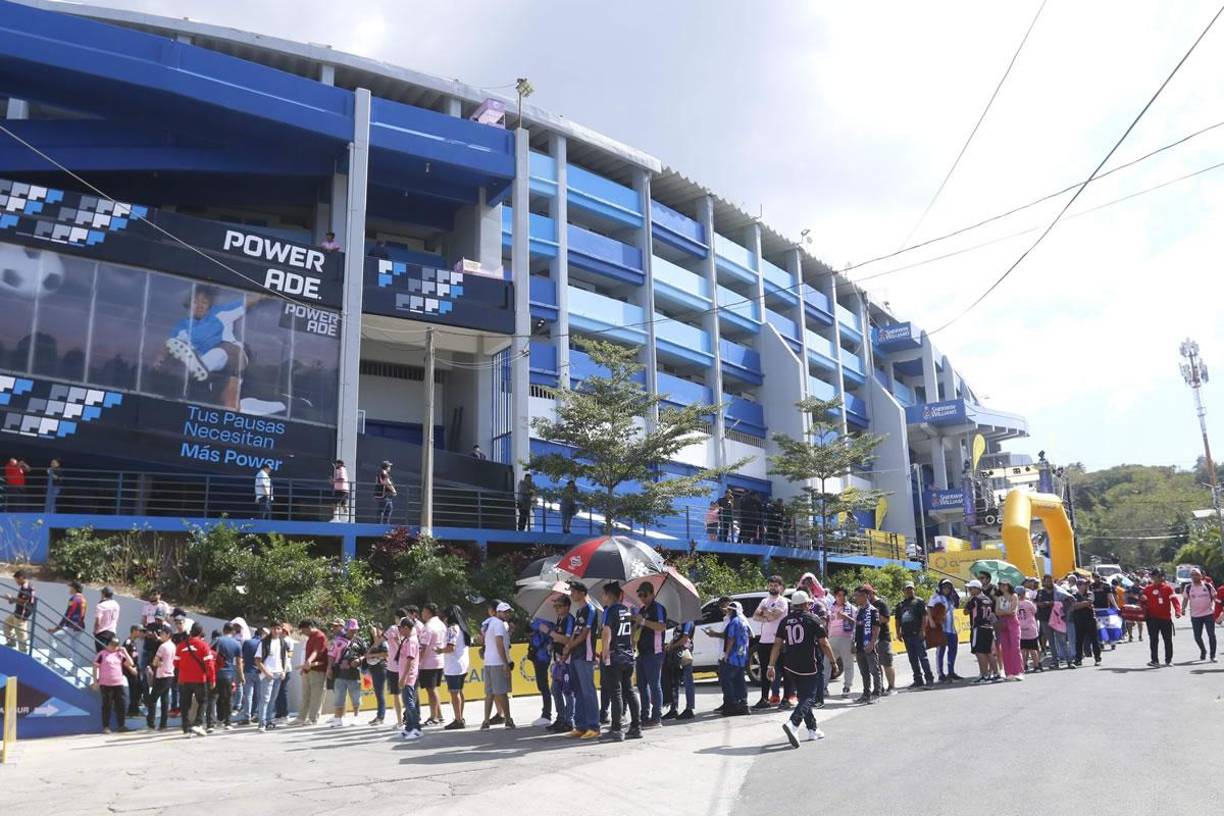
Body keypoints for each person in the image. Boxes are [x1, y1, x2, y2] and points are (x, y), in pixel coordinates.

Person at [768, 590, 835, 747]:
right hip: (808, 663)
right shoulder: (812, 619)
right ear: (805, 604)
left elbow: (777, 644)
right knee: (809, 697)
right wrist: (833, 662)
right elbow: (824, 643)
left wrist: (771, 665)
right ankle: (793, 723)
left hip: (790, 665)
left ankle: (813, 729)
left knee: (803, 696)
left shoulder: (784, 621)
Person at [163, 286, 248, 410]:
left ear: (210, 305)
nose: (200, 305)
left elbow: (249, 300)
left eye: (204, 302)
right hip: (208, 374)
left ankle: (200, 366)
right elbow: (167, 350)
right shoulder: (181, 329)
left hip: (231, 360)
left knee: (220, 353)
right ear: (189, 304)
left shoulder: (221, 314)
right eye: (195, 301)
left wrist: (265, 292)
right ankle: (196, 369)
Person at [600, 582, 642, 741]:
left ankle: (616, 729)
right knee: (629, 691)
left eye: (603, 594)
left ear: (609, 595)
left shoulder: (609, 611)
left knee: (616, 692)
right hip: (628, 655)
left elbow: (606, 632)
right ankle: (636, 727)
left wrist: (605, 654)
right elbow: (631, 631)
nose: (602, 597)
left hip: (615, 655)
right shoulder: (626, 610)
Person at [567, 581, 600, 739]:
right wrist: (568, 648)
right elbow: (576, 631)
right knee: (578, 691)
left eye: (573, 591)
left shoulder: (590, 609)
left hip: (585, 654)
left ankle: (594, 726)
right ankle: (580, 725)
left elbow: (585, 633)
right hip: (575, 654)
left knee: (588, 691)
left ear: (581, 593)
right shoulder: (579, 611)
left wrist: (571, 645)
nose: (571, 594)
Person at [633, 582, 668, 726]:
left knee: (654, 685)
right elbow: (637, 630)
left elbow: (661, 626)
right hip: (641, 651)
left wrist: (644, 621)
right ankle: (644, 716)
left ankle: (656, 717)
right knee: (641, 686)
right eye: (639, 595)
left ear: (652, 594)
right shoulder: (642, 609)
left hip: (655, 651)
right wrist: (635, 623)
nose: (642, 597)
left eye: (644, 594)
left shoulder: (658, 608)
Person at [752, 575, 789, 708]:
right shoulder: (764, 600)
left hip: (778, 640)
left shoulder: (783, 601)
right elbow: (755, 616)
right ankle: (764, 698)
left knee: (783, 670)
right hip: (764, 641)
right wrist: (767, 617)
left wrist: (765, 613)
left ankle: (786, 698)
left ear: (780, 587)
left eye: (775, 585)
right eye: (771, 585)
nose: (773, 587)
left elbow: (775, 616)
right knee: (764, 670)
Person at [177, 622, 216, 737]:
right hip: (199, 679)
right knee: (202, 701)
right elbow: (210, 664)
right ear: (200, 632)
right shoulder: (203, 645)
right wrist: (212, 679)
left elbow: (176, 662)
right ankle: (198, 724)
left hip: (183, 679)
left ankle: (186, 729)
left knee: (185, 704)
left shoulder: (181, 645)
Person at [481, 601, 515, 729]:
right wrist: (505, 663)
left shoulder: (489, 622)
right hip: (497, 662)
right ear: (498, 612)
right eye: (505, 612)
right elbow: (499, 643)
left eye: (508, 612)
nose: (507, 614)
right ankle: (508, 720)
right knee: (502, 692)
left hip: (489, 661)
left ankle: (486, 721)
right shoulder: (500, 624)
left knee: (490, 693)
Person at [895, 581, 935, 687]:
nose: (909, 591)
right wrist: (898, 632)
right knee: (912, 659)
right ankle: (918, 680)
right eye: (907, 589)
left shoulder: (919, 602)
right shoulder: (900, 605)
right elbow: (898, 620)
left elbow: (924, 617)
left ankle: (929, 679)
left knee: (923, 657)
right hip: (906, 635)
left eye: (911, 588)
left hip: (917, 634)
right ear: (903, 591)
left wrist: (922, 630)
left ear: (914, 589)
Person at [328, 618, 367, 726]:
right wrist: (329, 668)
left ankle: (356, 717)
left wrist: (359, 660)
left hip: (354, 674)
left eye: (355, 630)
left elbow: (367, 654)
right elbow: (331, 655)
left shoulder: (360, 641)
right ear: (346, 629)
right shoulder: (338, 640)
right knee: (339, 696)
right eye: (351, 629)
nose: (353, 631)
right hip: (339, 673)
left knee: (355, 697)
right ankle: (338, 718)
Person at [438, 605, 471, 730]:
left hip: (453, 665)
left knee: (454, 692)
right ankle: (460, 717)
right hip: (462, 664)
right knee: (459, 691)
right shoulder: (463, 628)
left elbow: (450, 647)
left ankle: (458, 719)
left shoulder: (452, 628)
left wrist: (439, 650)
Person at [93, 634, 134, 733]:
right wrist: (95, 682)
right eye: (112, 644)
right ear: (107, 644)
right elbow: (95, 668)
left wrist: (124, 651)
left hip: (118, 683)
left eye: (116, 645)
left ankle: (122, 725)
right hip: (106, 684)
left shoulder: (119, 654)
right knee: (107, 705)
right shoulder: (102, 654)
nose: (114, 647)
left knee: (121, 705)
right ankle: (106, 726)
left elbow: (130, 663)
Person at [291, 619, 328, 726]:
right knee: (305, 695)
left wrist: (309, 661)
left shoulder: (320, 636)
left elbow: (316, 651)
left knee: (316, 696)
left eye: (303, 630)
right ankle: (301, 718)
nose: (303, 633)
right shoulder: (310, 637)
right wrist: (304, 667)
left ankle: (313, 719)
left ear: (309, 627)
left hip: (318, 670)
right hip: (308, 670)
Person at [1141, 569, 1181, 667]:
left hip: (1165, 618)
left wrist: (1177, 611)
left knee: (1167, 640)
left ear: (1162, 577)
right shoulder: (1147, 589)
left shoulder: (1168, 588)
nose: (1155, 578)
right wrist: (1142, 601)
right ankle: (1155, 660)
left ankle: (1168, 660)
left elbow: (1175, 600)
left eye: (1158, 576)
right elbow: (1142, 602)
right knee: (1153, 640)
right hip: (1152, 619)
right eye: (1153, 576)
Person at [254, 623, 289, 731]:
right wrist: (266, 672)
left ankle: (269, 720)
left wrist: (284, 671)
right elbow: (257, 660)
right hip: (268, 674)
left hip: (279, 673)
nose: (276, 630)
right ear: (270, 629)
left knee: (273, 699)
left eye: (278, 628)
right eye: (274, 628)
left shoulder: (282, 642)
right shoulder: (264, 642)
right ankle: (262, 722)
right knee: (265, 699)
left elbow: (285, 658)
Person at [418, 603, 447, 726]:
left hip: (428, 662)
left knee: (431, 690)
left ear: (428, 612)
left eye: (423, 612)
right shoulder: (441, 624)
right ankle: (439, 715)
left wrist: (417, 662)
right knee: (433, 689)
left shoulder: (428, 626)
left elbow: (423, 647)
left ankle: (433, 716)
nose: (422, 614)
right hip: (439, 661)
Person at [720, 601, 751, 715]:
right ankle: (743, 704)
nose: (727, 611)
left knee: (726, 680)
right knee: (740, 680)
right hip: (742, 656)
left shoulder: (734, 622)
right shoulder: (744, 621)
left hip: (733, 656)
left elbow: (731, 639)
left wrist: (727, 654)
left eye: (729, 610)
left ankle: (731, 705)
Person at [853, 586, 882, 702]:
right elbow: (856, 627)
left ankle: (877, 693)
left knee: (874, 670)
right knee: (863, 671)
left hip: (869, 644)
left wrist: (872, 643)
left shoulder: (872, 610)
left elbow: (876, 628)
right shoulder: (859, 610)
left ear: (865, 596)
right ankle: (866, 693)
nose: (855, 598)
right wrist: (853, 643)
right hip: (859, 645)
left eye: (857, 596)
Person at [927, 580, 961, 681]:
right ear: (941, 587)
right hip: (941, 629)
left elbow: (956, 606)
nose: (947, 589)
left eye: (949, 587)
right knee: (941, 651)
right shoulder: (936, 597)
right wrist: (931, 620)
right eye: (945, 587)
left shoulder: (951, 598)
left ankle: (951, 671)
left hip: (952, 629)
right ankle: (941, 674)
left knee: (953, 650)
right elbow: (929, 608)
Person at [662, 617, 696, 720]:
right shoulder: (679, 622)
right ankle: (673, 709)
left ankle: (689, 708)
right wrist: (670, 644)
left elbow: (685, 639)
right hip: (675, 655)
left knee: (687, 681)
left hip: (683, 653)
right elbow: (676, 637)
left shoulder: (688, 621)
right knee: (674, 682)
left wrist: (672, 646)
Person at [864, 584, 895, 694]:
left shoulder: (880, 604)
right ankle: (879, 687)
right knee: (876, 666)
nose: (866, 596)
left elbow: (886, 619)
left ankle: (891, 687)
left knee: (887, 663)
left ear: (872, 593)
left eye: (867, 593)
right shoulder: (865, 606)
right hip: (871, 639)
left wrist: (873, 616)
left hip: (883, 638)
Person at [964, 580, 996, 683]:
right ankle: (996, 673)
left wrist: (969, 599)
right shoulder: (988, 599)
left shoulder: (975, 599)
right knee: (988, 651)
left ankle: (984, 674)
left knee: (979, 651)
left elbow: (965, 611)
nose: (969, 590)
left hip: (978, 627)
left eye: (971, 588)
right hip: (988, 627)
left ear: (977, 589)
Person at [827, 587, 857, 695]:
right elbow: (828, 623)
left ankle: (847, 687)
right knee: (827, 663)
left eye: (844, 595)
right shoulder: (830, 608)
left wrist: (846, 617)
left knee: (848, 664)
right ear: (835, 596)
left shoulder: (852, 608)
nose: (842, 597)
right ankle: (824, 688)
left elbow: (857, 623)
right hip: (831, 639)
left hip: (846, 639)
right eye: (839, 595)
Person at [212, 622, 243, 729]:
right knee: (228, 698)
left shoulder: (218, 640)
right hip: (229, 674)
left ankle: (219, 719)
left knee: (216, 697)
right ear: (233, 631)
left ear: (224, 629)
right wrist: (242, 677)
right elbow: (239, 663)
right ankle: (228, 722)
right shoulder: (237, 643)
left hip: (216, 673)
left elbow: (209, 654)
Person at [1183, 568, 1217, 662]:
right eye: (1192, 575)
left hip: (1208, 614)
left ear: (1201, 576)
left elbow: (1215, 597)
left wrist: (1218, 609)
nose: (1194, 576)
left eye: (1196, 574)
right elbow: (1185, 599)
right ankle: (1203, 650)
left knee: (1211, 635)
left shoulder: (1207, 585)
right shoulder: (1188, 587)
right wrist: (1183, 609)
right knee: (1197, 637)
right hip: (1195, 615)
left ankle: (1212, 655)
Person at [145, 624, 175, 730]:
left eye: (162, 633)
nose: (160, 635)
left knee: (152, 699)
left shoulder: (163, 646)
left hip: (161, 675)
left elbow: (155, 661)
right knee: (165, 700)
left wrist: (156, 664)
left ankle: (151, 723)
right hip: (170, 675)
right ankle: (163, 724)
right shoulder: (173, 646)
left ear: (168, 634)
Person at [397, 616, 422, 740]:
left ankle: (417, 728)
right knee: (407, 703)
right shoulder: (407, 640)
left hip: (408, 677)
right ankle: (409, 727)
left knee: (410, 703)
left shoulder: (412, 641)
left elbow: (410, 660)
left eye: (400, 628)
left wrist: (403, 678)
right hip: (404, 676)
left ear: (406, 628)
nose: (399, 630)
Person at [528, 613, 555, 728]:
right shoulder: (552, 622)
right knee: (542, 685)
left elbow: (530, 629)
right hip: (543, 656)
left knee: (543, 686)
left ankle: (546, 714)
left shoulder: (540, 621)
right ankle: (546, 713)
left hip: (541, 656)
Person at [50, 579, 88, 657]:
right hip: (80, 627)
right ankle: (75, 668)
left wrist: (57, 628)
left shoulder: (74, 599)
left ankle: (51, 660)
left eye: (70, 587)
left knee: (53, 637)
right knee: (74, 648)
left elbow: (68, 615)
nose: (69, 589)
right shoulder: (84, 599)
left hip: (71, 626)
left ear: (74, 588)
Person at [995, 580, 1024, 680]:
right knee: (1005, 648)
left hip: (1013, 622)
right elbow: (997, 611)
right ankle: (1009, 672)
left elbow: (1013, 611)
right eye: (1000, 585)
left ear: (1008, 586)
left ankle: (1019, 671)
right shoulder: (999, 598)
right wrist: (1005, 612)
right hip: (1003, 623)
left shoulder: (1014, 596)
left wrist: (1004, 611)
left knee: (1015, 647)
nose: (1002, 587)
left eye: (1004, 585)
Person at [3, 568, 36, 653]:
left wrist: (11, 598)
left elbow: (24, 600)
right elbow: (20, 599)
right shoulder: (24, 586)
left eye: (16, 580)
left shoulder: (27, 587)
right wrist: (11, 600)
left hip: (22, 614)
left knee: (21, 635)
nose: (16, 582)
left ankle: (23, 652)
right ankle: (12, 642)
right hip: (17, 612)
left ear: (21, 577)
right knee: (6, 624)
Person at [238, 626, 265, 726]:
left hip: (248, 671)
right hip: (259, 671)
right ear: (261, 634)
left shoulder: (247, 642)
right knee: (259, 695)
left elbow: (243, 656)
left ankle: (247, 717)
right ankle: (258, 714)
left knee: (248, 695)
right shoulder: (262, 643)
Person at [1070, 578, 1100, 667]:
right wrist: (1084, 604)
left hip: (1090, 619)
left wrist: (1080, 604)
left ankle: (1097, 658)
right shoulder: (1074, 595)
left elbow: (1090, 602)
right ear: (1078, 586)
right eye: (1084, 584)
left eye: (1086, 584)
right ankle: (1078, 659)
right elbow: (1073, 606)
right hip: (1078, 620)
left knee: (1094, 640)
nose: (1086, 586)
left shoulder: (1090, 593)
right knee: (1079, 641)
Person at [122, 625, 145, 717]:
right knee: (134, 690)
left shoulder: (133, 642)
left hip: (135, 669)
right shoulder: (127, 643)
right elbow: (123, 659)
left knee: (139, 688)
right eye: (140, 631)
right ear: (134, 631)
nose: (141, 633)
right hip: (130, 670)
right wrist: (131, 669)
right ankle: (133, 711)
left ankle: (134, 709)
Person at [1017, 587, 1041, 673]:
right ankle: (1036, 665)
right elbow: (1034, 611)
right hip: (1030, 627)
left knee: (1023, 649)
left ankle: (1023, 666)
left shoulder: (1015, 604)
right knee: (1033, 648)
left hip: (1020, 627)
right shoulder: (1029, 603)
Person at [93, 586, 121, 653]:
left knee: (101, 654)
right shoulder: (116, 605)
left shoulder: (101, 605)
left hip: (102, 633)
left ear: (103, 594)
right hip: (112, 632)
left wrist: (95, 630)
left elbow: (98, 619)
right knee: (109, 654)